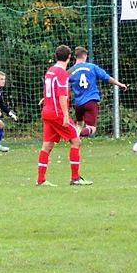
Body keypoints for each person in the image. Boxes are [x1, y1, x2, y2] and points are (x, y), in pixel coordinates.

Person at [37, 44, 90, 186]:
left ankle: (41, 180)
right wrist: (66, 115)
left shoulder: (50, 71)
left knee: (47, 146)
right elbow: (61, 95)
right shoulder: (61, 73)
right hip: (57, 113)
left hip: (47, 112)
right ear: (69, 57)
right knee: (76, 141)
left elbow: (49, 89)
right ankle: (75, 178)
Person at [68, 46, 127, 137]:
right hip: (91, 101)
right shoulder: (92, 67)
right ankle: (73, 134)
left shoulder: (70, 71)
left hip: (78, 104)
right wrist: (119, 84)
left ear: (75, 57)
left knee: (79, 124)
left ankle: (75, 145)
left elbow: (62, 85)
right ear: (85, 56)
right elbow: (107, 78)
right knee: (91, 128)